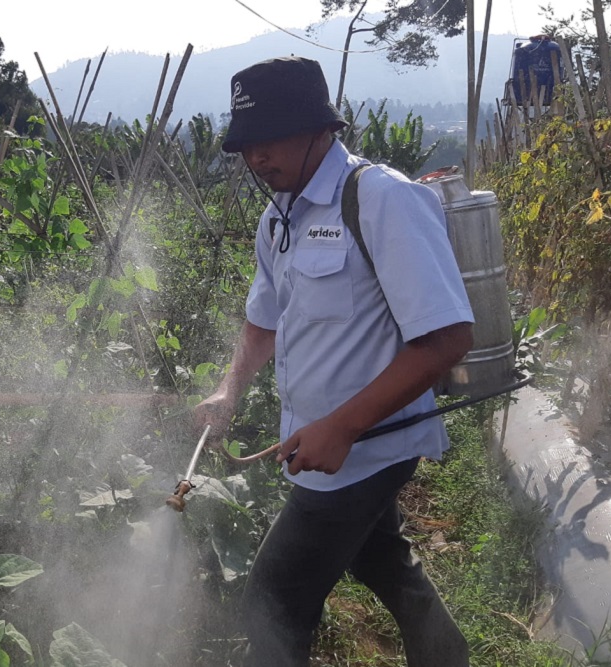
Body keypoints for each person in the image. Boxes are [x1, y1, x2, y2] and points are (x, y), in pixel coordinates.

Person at [193, 56, 474, 667]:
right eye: (246, 147)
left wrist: (342, 427)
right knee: (382, 561)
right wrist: (229, 390)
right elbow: (262, 322)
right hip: (322, 451)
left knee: (274, 597)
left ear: (321, 131)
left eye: (268, 141)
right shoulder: (280, 220)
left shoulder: (381, 200)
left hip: (366, 451)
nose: (255, 159)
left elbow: (447, 338)